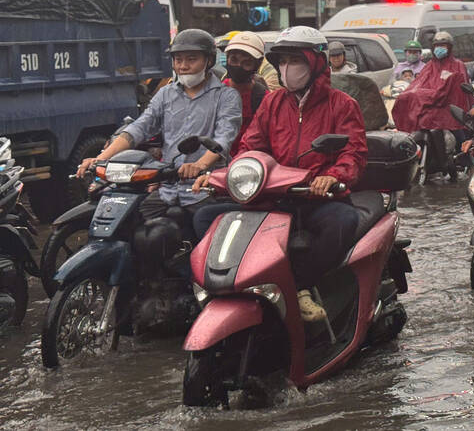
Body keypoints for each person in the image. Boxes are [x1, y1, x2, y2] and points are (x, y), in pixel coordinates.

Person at [193, 26, 367, 323]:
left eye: (294, 61)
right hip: (274, 197)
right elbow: (251, 148)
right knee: (205, 218)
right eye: (282, 62)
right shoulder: (273, 103)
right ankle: (221, 288)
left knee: (344, 222)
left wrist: (332, 176)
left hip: (318, 198)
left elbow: (354, 152)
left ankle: (300, 286)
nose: (287, 69)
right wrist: (224, 177)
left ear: (315, 62)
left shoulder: (342, 104)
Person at [76, 28, 242, 220]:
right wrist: (100, 158)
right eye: (178, 60)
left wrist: (199, 165)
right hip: (168, 190)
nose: (183, 66)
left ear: (209, 61)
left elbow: (224, 138)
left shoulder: (226, 96)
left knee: (205, 231)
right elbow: (140, 128)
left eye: (191, 59)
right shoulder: (165, 94)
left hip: (205, 189)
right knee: (131, 224)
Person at [392, 31, 472, 143]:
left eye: (443, 46)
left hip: (450, 109)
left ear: (449, 47)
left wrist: (439, 94)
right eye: (437, 46)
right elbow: (418, 85)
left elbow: (460, 93)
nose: (439, 49)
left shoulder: (458, 65)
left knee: (461, 141)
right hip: (431, 107)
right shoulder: (430, 66)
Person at [222, 31, 268, 155]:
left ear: (257, 65)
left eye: (246, 63)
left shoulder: (264, 98)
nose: (238, 66)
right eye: (234, 60)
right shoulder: (215, 92)